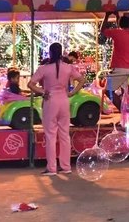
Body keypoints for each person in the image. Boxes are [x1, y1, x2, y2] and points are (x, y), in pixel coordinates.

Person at [29, 42, 84, 175]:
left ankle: (52, 168)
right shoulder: (68, 67)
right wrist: (73, 93)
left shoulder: (44, 68)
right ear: (61, 52)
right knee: (64, 134)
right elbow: (82, 80)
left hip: (50, 100)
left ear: (50, 52)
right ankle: (66, 167)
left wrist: (43, 92)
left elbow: (31, 84)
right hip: (64, 100)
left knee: (50, 135)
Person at [100, 13, 129, 106]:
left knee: (108, 90)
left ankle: (122, 108)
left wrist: (107, 16)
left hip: (120, 68)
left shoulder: (116, 33)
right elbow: (121, 29)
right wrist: (117, 16)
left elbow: (102, 30)